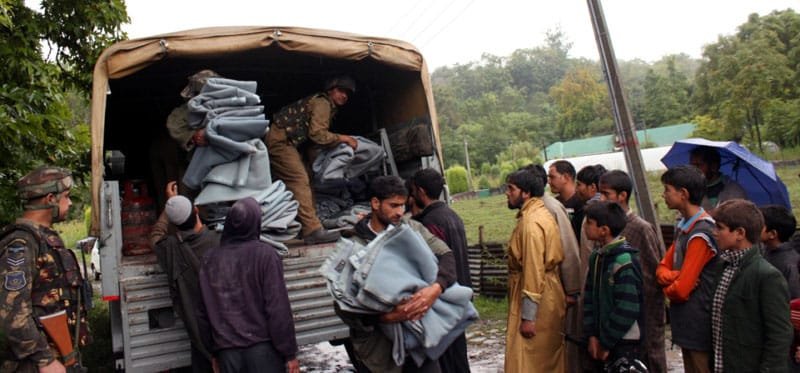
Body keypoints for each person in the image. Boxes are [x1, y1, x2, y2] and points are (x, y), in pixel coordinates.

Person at [335, 175, 456, 373]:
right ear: (375, 203)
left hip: (421, 344)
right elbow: (343, 307)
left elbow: (447, 256)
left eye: (403, 205)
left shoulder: (412, 230)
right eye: (393, 206)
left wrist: (435, 289)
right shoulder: (353, 246)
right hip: (379, 353)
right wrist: (385, 317)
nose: (400, 212)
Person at [0, 166, 90, 372]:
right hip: (38, 364)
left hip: (61, 355)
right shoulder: (21, 244)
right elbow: (12, 311)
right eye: (66, 197)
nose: (70, 202)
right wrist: (45, 360)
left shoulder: (44, 238)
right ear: (50, 199)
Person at [196, 197, 299, 373]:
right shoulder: (265, 255)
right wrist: (289, 353)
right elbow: (278, 309)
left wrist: (213, 353)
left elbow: (202, 314)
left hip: (227, 355)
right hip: (263, 354)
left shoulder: (209, 260)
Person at [266, 76, 360, 244]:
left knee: (308, 180)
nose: (344, 96)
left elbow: (310, 140)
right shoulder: (322, 103)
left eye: (347, 93)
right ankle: (312, 231)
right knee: (299, 180)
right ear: (331, 90)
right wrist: (344, 138)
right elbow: (317, 134)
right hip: (281, 141)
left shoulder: (328, 107)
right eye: (341, 90)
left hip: (292, 144)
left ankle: (308, 226)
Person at [709, 199, 792, 373]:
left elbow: (779, 335)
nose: (715, 233)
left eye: (720, 228)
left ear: (740, 233)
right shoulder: (723, 266)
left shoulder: (766, 276)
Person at [599, 170, 667, 372]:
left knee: (648, 358)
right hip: (617, 310)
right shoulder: (605, 227)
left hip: (643, 308)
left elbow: (655, 272)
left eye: (606, 194)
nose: (602, 199)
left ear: (622, 196)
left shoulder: (640, 228)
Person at [149, 181, 220, 372]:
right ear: (196, 210)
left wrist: (169, 205)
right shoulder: (218, 241)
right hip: (223, 331)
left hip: (198, 333)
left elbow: (156, 235)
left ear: (173, 223)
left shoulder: (169, 247)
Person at [655, 165, 719, 373]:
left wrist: (668, 287)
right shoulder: (684, 227)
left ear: (683, 194)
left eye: (667, 190)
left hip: (699, 321)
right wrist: (677, 276)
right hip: (687, 322)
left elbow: (681, 290)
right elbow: (661, 268)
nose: (664, 195)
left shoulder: (701, 232)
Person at [408, 168, 471, 373]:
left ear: (420, 191)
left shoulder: (429, 222)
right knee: (459, 356)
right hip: (460, 293)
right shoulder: (452, 215)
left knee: (446, 360)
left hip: (444, 297)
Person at [504, 168, 565, 373]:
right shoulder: (539, 213)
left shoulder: (531, 223)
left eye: (511, 189)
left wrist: (528, 317)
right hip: (547, 293)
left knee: (528, 362)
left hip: (537, 298)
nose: (507, 193)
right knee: (545, 360)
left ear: (526, 193)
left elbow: (533, 270)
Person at [526, 164, 584, 373]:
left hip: (556, 286)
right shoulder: (535, 208)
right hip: (541, 288)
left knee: (560, 341)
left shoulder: (550, 208)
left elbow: (568, 248)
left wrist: (572, 289)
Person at [582, 201, 643, 371]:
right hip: (599, 339)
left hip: (623, 341)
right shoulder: (596, 257)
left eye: (589, 223)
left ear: (604, 230)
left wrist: (606, 341)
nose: (585, 227)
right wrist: (592, 335)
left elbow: (627, 308)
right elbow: (589, 298)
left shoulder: (623, 261)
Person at [759, 204, 800, 299]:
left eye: (759, 224)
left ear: (772, 234)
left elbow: (793, 298)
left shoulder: (789, 264)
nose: (754, 226)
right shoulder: (763, 249)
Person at [689, 146, 747, 211]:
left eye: (698, 165)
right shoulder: (690, 191)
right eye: (692, 165)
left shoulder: (734, 191)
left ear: (714, 166)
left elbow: (739, 218)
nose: (693, 169)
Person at [548, 160, 582, 241]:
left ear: (566, 177)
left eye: (552, 177)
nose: (549, 182)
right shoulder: (554, 204)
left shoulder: (581, 203)